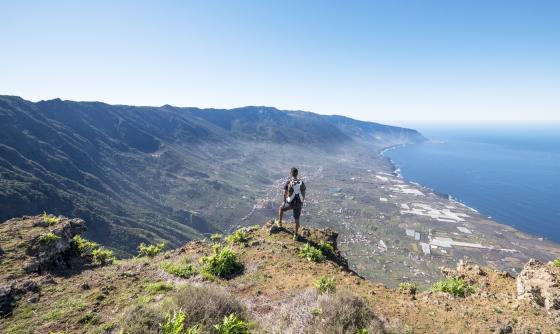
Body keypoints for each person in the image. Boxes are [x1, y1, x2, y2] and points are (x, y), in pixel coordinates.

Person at [277, 167, 306, 240]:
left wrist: (284, 201)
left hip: (290, 202)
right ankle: (295, 235)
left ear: (291, 173)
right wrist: (302, 201)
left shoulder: (288, 182)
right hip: (298, 204)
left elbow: (285, 193)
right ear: (297, 174)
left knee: (281, 208)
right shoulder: (301, 182)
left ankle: (280, 223)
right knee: (297, 220)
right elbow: (303, 193)